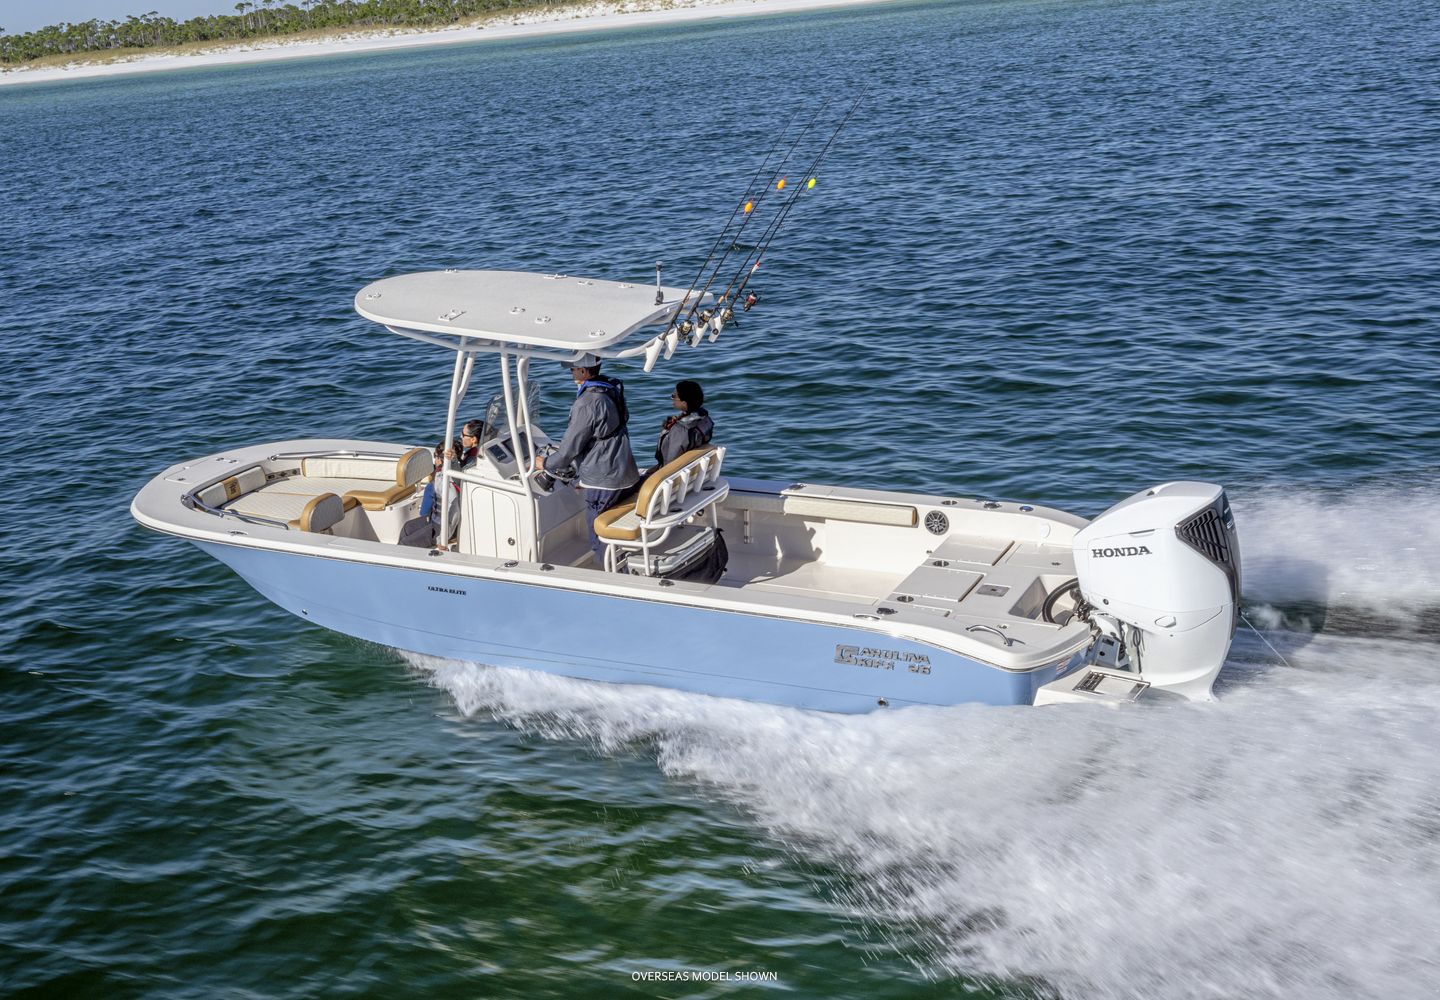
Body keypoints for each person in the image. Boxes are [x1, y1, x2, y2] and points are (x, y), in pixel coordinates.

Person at [533, 353, 639, 563]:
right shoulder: (611, 390)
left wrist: (544, 463)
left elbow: (567, 451)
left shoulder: (587, 402)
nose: (571, 373)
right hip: (625, 470)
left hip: (604, 480)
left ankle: (612, 579)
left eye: (573, 369)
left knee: (597, 535)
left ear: (583, 371)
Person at [655, 379, 714, 467]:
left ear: (684, 403)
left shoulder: (680, 430)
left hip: (671, 472)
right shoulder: (705, 419)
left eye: (674, 396)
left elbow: (671, 464)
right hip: (690, 467)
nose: (672, 398)